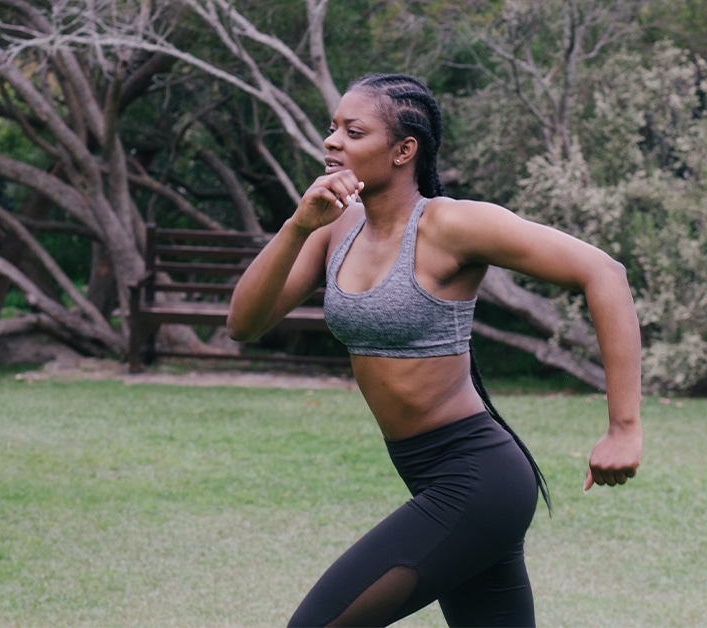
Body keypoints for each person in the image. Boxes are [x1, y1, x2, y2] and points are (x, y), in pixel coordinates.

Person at [226, 73, 643, 627]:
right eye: (332, 129)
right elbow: (244, 323)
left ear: (404, 150)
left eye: (353, 131)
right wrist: (299, 225)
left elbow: (603, 273)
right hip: (433, 474)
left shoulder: (451, 224)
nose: (331, 142)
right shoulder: (335, 228)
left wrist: (624, 427)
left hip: (475, 478)